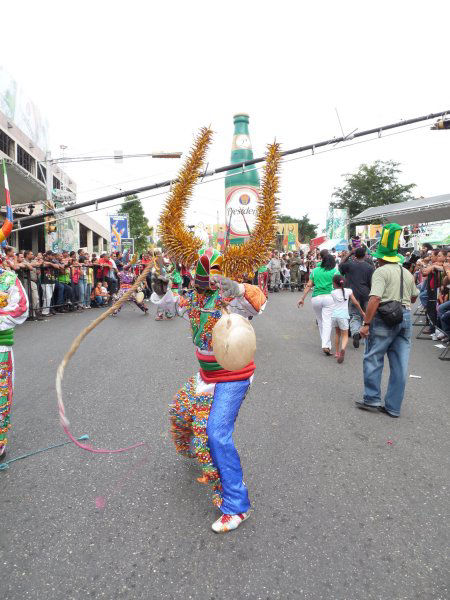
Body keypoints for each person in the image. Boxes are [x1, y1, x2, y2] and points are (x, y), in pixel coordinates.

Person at [157, 129, 280, 533]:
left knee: (216, 435)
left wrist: (238, 286)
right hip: (205, 376)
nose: (203, 278)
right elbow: (166, 283)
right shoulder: (191, 297)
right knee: (178, 412)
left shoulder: (231, 298)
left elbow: (260, 300)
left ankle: (236, 505)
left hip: (232, 377)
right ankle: (198, 451)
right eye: (197, 272)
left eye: (211, 272)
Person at [357, 223, 419, 418]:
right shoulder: (406, 272)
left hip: (384, 318)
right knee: (400, 364)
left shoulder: (381, 272)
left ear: (380, 258)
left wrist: (366, 324)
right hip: (405, 316)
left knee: (373, 357)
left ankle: (372, 399)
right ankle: (393, 407)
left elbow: (374, 298)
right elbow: (414, 297)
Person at [298, 253, 339, 355]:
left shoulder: (315, 271)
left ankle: (326, 344)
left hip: (316, 298)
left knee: (320, 321)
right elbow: (339, 285)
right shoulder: (334, 271)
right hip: (329, 297)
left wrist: (302, 298)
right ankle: (325, 345)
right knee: (327, 321)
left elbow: (308, 285)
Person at [339, 246, 375, 348]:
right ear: (364, 255)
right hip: (366, 293)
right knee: (368, 315)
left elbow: (340, 265)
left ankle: (355, 333)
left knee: (355, 315)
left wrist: (349, 253)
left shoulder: (349, 265)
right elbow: (372, 282)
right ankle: (367, 335)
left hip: (353, 293)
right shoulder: (370, 267)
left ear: (355, 255)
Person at [331, 274, 365, 363]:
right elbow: (356, 303)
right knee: (345, 335)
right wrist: (362, 312)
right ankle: (343, 349)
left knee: (337, 334)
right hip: (343, 316)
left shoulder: (332, 292)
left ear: (334, 284)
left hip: (334, 316)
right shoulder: (349, 291)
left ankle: (337, 353)